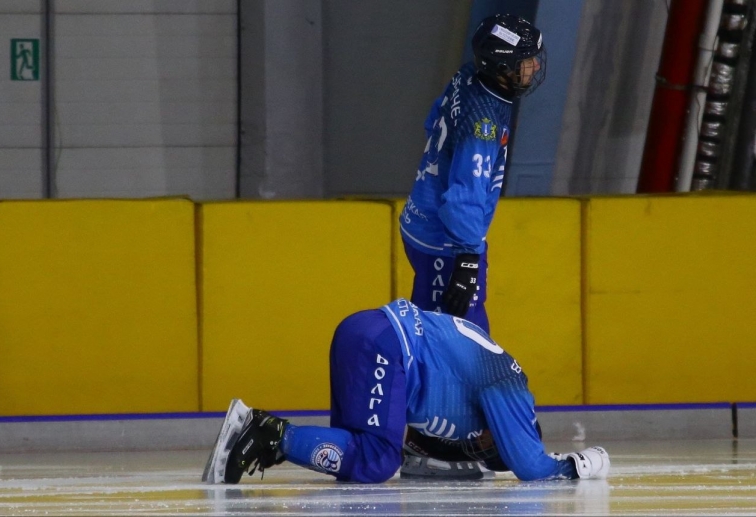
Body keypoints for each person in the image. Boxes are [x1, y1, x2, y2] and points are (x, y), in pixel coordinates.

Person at [202, 299, 609, 484]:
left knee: (356, 453)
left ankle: (266, 439)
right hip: (389, 345)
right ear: (511, 433)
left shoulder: (475, 401)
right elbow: (531, 468)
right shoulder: (512, 390)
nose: (478, 447)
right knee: (378, 460)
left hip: (365, 330)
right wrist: (583, 464)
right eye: (491, 446)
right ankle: (268, 434)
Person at [399, 14, 546, 333]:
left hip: (426, 223)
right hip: (444, 242)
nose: (535, 66)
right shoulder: (484, 125)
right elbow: (465, 196)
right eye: (527, 60)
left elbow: (432, 122)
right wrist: (467, 259)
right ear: (503, 68)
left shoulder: (467, 76)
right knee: (459, 339)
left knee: (441, 333)